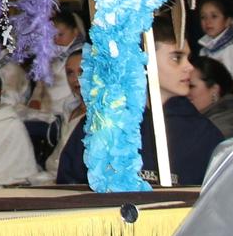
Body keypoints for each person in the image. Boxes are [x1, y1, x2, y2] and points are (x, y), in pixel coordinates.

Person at [55, 26, 222, 187]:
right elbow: (71, 185)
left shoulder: (203, 133)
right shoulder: (102, 124)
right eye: (176, 58)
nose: (189, 67)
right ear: (143, 61)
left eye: (189, 58)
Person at [42, 48, 87, 182]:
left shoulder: (103, 114)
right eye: (70, 73)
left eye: (81, 71)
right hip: (52, 177)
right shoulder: (69, 108)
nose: (75, 79)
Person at [186, 57, 233, 138]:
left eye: (191, 86)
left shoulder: (222, 129)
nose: (185, 92)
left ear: (214, 90)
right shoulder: (208, 122)